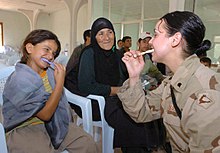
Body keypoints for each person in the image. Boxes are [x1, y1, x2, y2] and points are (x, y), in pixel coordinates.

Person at [117, 11, 220, 153]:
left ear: (175, 39)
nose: (151, 41)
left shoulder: (205, 93)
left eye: (156, 34)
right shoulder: (172, 82)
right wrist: (134, 76)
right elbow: (142, 112)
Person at [77, 17, 166, 153]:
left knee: (148, 110)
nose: (106, 37)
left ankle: (153, 147)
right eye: (101, 34)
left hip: (120, 97)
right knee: (132, 120)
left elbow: (126, 79)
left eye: (109, 32)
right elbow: (85, 86)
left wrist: (133, 68)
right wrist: (116, 90)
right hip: (99, 101)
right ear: (94, 37)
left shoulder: (118, 54)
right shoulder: (89, 54)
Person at [2, 29, 97, 153]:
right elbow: (45, 114)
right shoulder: (19, 80)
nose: (51, 56)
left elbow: (55, 110)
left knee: (88, 143)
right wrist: (59, 84)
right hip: (24, 126)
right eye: (46, 49)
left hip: (55, 122)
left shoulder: (50, 72)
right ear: (30, 48)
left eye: (54, 53)